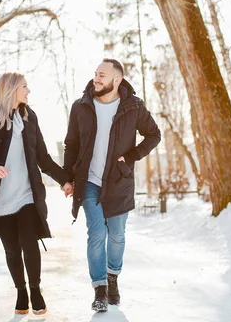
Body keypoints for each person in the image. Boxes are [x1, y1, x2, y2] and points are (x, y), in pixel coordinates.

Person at [62, 58, 161, 312]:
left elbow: (154, 135)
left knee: (116, 235)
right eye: (96, 73)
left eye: (102, 75)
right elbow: (71, 144)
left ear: (117, 80)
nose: (97, 78)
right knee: (97, 233)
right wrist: (67, 178)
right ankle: (99, 289)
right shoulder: (81, 107)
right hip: (90, 181)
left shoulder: (133, 107)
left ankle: (113, 278)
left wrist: (130, 157)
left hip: (119, 180)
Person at [0, 72, 71, 315]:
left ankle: (36, 290)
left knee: (29, 243)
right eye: (25, 87)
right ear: (12, 89)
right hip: (0, 198)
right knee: (12, 250)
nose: (29, 91)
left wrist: (64, 180)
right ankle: (20, 291)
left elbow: (43, 158)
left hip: (26, 194)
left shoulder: (29, 118)